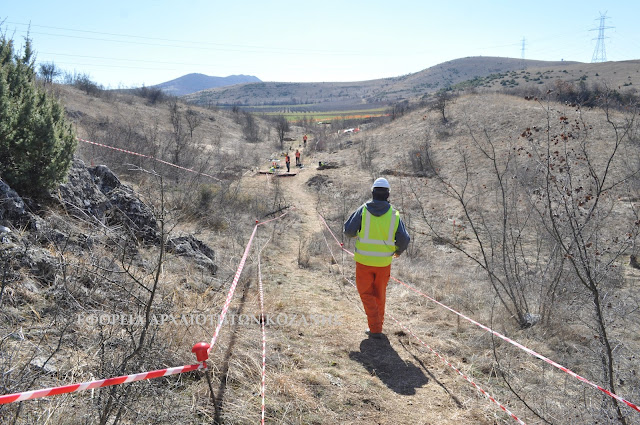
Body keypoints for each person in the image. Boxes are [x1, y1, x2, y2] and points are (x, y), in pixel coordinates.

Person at [344, 177, 410, 339]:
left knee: (366, 294)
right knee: (379, 294)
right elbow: (404, 239)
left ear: (373, 193)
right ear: (388, 194)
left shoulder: (363, 210)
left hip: (364, 262)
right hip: (384, 263)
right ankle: (377, 327)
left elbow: (348, 231)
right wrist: (397, 251)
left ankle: (375, 328)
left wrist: (358, 234)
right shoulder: (394, 215)